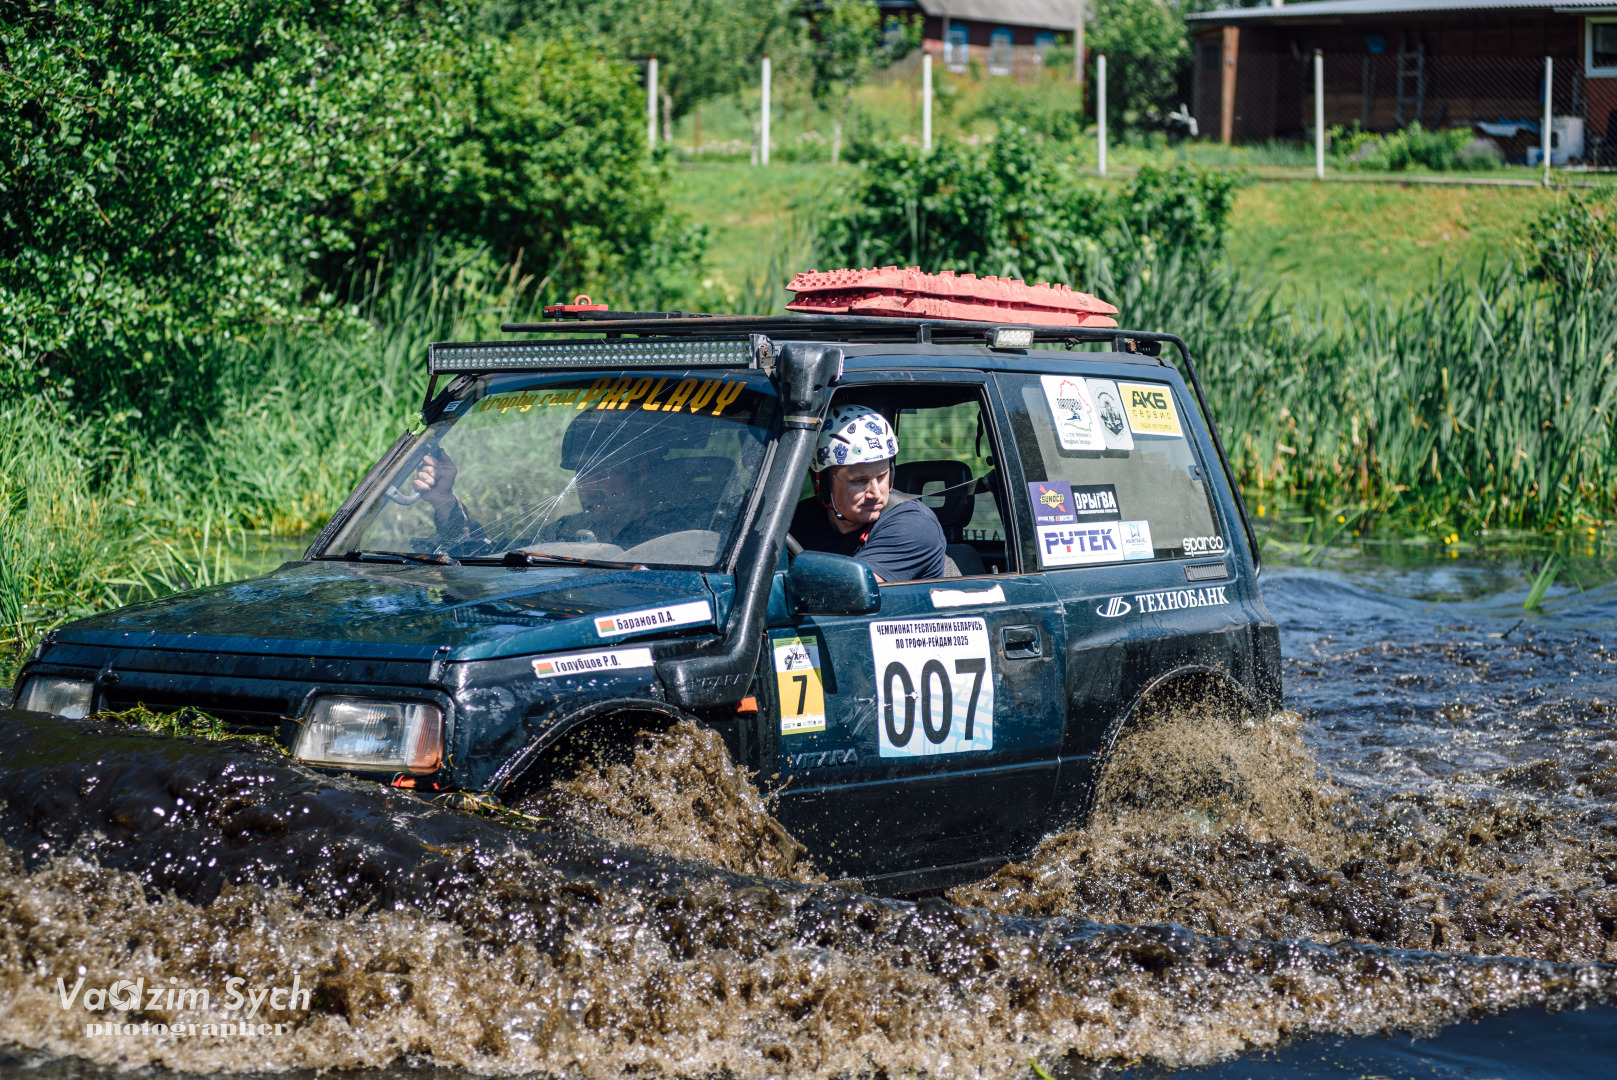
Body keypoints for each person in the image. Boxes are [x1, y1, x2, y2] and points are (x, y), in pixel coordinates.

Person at [789, 404, 946, 583]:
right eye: (858, 481)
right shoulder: (796, 519)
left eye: (881, 477)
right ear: (822, 483)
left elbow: (849, 591)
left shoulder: (915, 525)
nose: (875, 493)